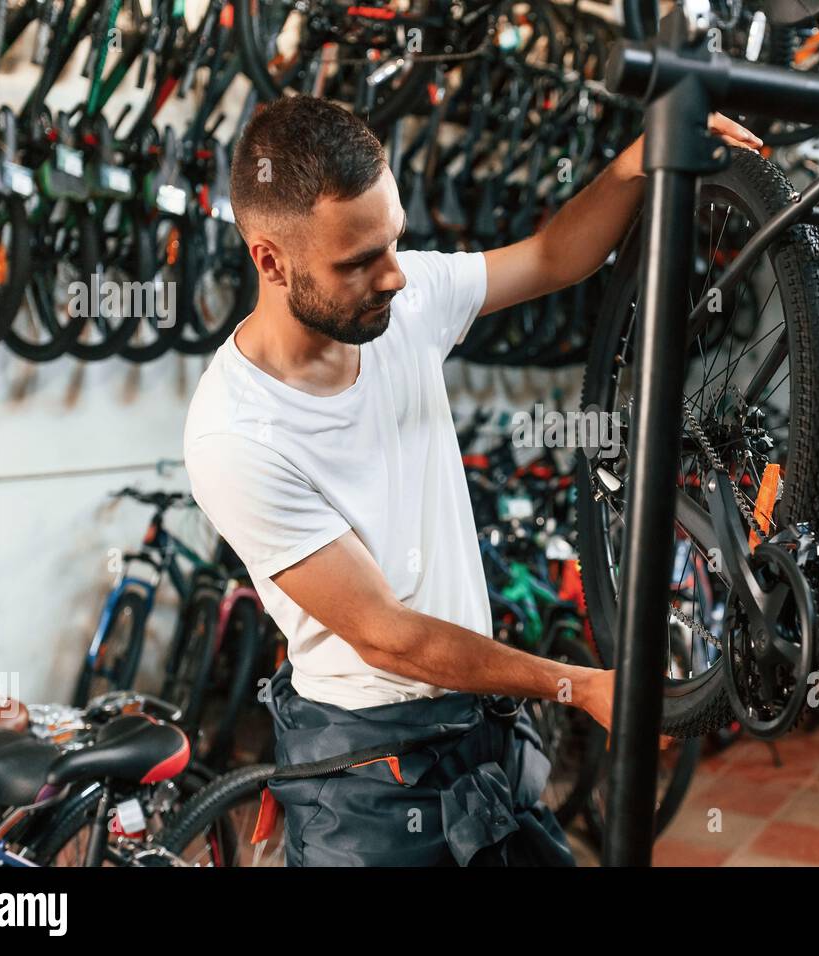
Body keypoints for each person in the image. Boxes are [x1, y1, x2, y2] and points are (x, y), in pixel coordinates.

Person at [183, 94, 761, 865]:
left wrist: (630, 163)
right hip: (371, 776)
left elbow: (554, 254)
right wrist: (580, 687)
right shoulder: (237, 435)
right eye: (358, 261)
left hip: (469, 728)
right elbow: (390, 635)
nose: (393, 276)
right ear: (270, 261)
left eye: (393, 241)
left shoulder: (403, 300)